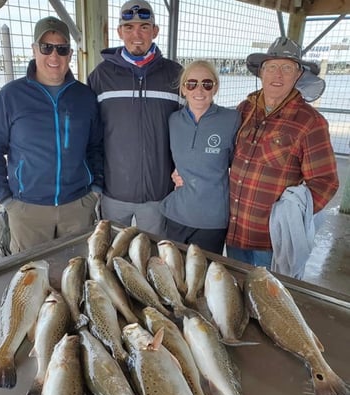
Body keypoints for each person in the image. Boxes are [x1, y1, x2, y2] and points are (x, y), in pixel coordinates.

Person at [0, 16, 103, 253]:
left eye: (62, 48)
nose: (54, 56)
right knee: (30, 279)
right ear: (34, 50)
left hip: (77, 207)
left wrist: (95, 190)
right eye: (46, 48)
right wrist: (7, 199)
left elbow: (96, 146)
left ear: (70, 53)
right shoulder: (10, 96)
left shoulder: (85, 96)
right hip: (28, 211)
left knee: (75, 274)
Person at [226, 37, 339, 273]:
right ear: (261, 72)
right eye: (272, 67)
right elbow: (224, 156)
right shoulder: (245, 109)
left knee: (270, 304)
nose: (278, 75)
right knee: (236, 293)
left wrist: (290, 219)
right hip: (235, 232)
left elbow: (325, 183)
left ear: (298, 75)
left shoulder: (311, 122)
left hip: (271, 244)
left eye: (287, 68)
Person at [87, 1, 183, 236]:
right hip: (113, 193)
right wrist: (96, 181)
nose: (136, 34)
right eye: (128, 27)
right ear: (119, 32)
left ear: (155, 31)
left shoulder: (175, 74)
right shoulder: (100, 76)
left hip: (158, 194)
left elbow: (189, 127)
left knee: (151, 259)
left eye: (144, 26)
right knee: (111, 258)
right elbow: (90, 135)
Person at [159, 60, 241, 254]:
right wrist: (174, 171)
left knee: (204, 277)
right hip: (177, 214)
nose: (199, 90)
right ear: (183, 89)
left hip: (212, 219)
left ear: (215, 88)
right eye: (191, 83)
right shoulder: (173, 120)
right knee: (173, 274)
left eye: (207, 84)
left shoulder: (232, 119)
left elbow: (238, 163)